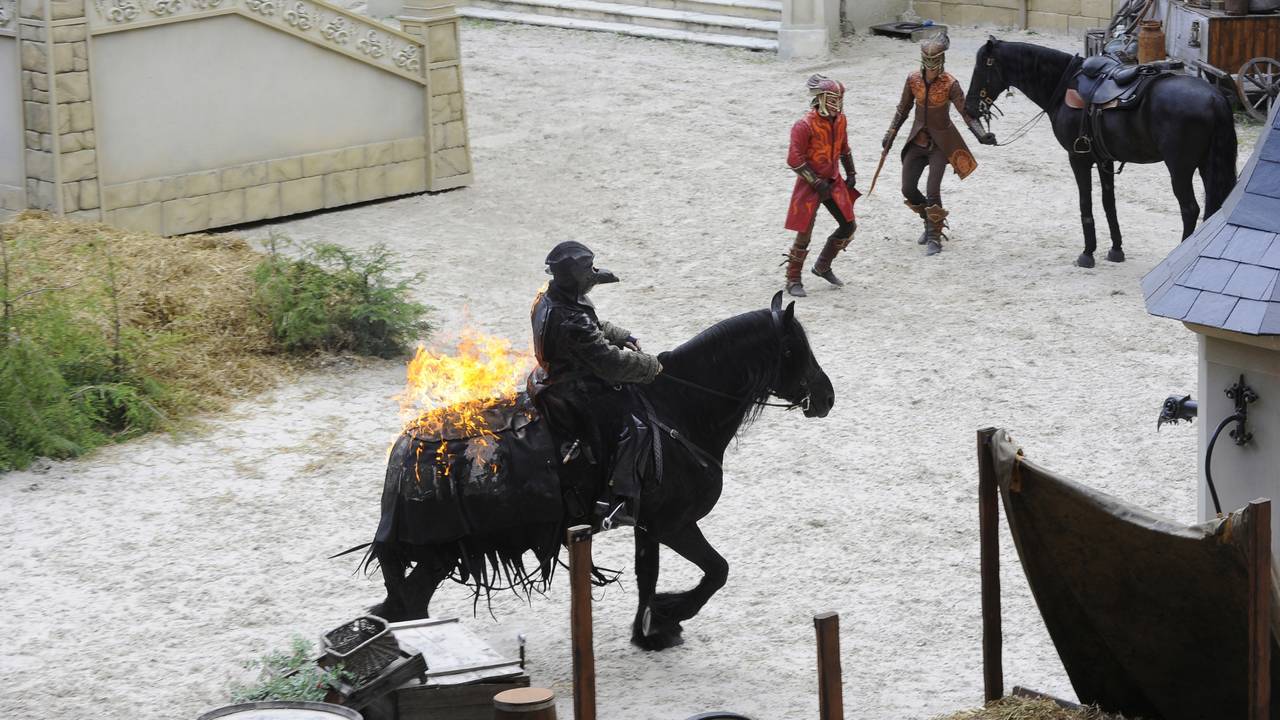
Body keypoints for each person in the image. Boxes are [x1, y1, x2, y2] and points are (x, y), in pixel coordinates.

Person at [529, 241, 660, 526]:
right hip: (574, 388)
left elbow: (591, 327)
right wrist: (652, 366)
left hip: (553, 373)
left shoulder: (552, 296)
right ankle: (613, 500)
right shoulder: (569, 317)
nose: (593, 273)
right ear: (573, 275)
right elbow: (609, 362)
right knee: (631, 426)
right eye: (587, 269)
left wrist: (619, 334)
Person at [883, 32, 996, 256]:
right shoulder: (913, 80)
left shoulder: (951, 84)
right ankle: (929, 221)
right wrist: (890, 134)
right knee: (908, 188)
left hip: (941, 143)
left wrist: (981, 135)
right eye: (927, 61)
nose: (931, 66)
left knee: (932, 190)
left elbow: (966, 113)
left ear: (942, 60)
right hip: (917, 140)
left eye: (935, 61)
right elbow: (902, 110)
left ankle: (935, 236)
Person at [783, 74, 859, 298]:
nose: (838, 105)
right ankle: (793, 278)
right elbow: (794, 159)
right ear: (821, 99)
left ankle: (823, 265)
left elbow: (844, 147)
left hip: (833, 181)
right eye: (833, 99)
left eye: (840, 100)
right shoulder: (804, 125)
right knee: (804, 233)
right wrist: (815, 181)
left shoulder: (841, 120)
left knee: (848, 225)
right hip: (809, 184)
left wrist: (851, 171)